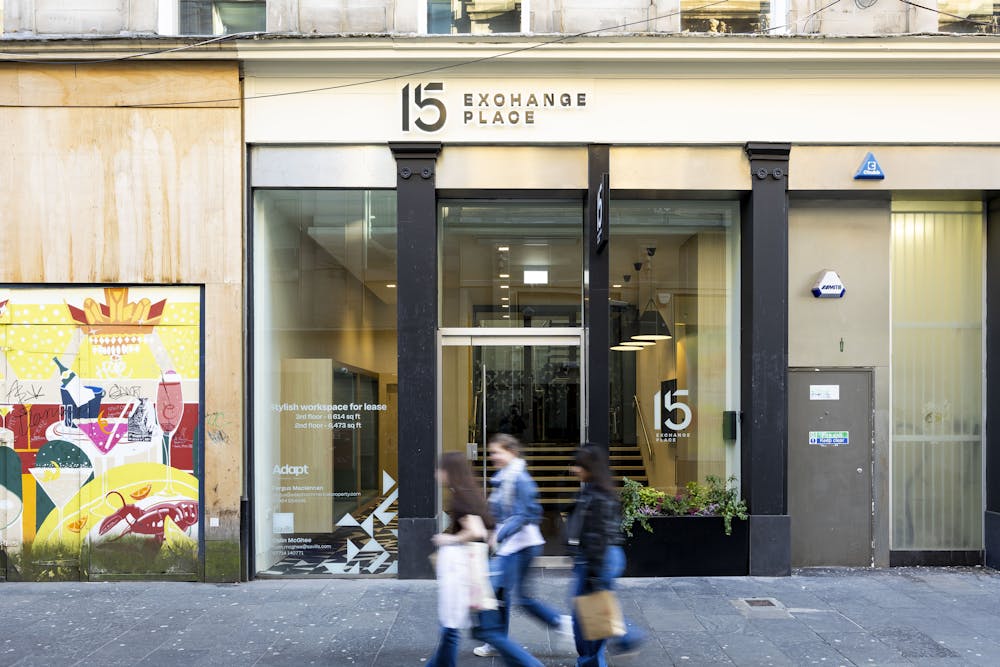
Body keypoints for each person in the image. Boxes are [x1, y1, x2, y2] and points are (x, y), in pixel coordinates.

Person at [428, 452, 543, 667]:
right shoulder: (471, 492)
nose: (436, 474)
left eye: (439, 469)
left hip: (467, 571)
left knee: (480, 631)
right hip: (479, 566)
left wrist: (449, 539)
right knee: (463, 629)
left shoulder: (460, 498)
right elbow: (487, 531)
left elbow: (476, 531)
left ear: (448, 472)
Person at [474, 434, 573, 658]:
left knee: (513, 595)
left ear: (511, 452)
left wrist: (499, 535)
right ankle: (496, 640)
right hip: (511, 544)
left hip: (521, 545)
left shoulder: (520, 479)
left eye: (497, 452)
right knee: (502, 592)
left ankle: (562, 624)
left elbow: (527, 514)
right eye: (491, 452)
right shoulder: (505, 476)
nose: (493, 457)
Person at [565, 443, 647, 667]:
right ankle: (601, 653)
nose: (574, 469)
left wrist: (594, 576)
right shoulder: (595, 491)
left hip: (598, 560)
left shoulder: (598, 496)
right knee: (589, 614)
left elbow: (598, 538)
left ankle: (626, 638)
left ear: (589, 467)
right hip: (597, 559)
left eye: (579, 465)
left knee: (589, 616)